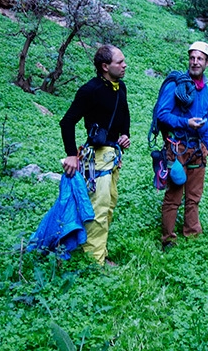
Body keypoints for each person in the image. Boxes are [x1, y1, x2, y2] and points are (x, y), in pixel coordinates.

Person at [59, 44, 130, 265]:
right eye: (120, 62)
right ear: (105, 66)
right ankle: (95, 262)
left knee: (109, 206)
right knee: (98, 209)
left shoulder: (121, 87)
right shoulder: (90, 90)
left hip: (113, 155)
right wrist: (71, 155)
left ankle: (98, 251)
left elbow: (123, 115)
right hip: (97, 159)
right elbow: (67, 121)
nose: (124, 65)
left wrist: (125, 134)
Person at [156, 41, 208, 250]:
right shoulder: (176, 85)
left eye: (200, 58)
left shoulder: (206, 90)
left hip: (197, 149)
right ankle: (168, 239)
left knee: (194, 196)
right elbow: (162, 115)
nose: (195, 62)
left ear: (207, 63)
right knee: (174, 195)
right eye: (192, 57)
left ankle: (192, 234)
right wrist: (185, 123)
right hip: (178, 148)